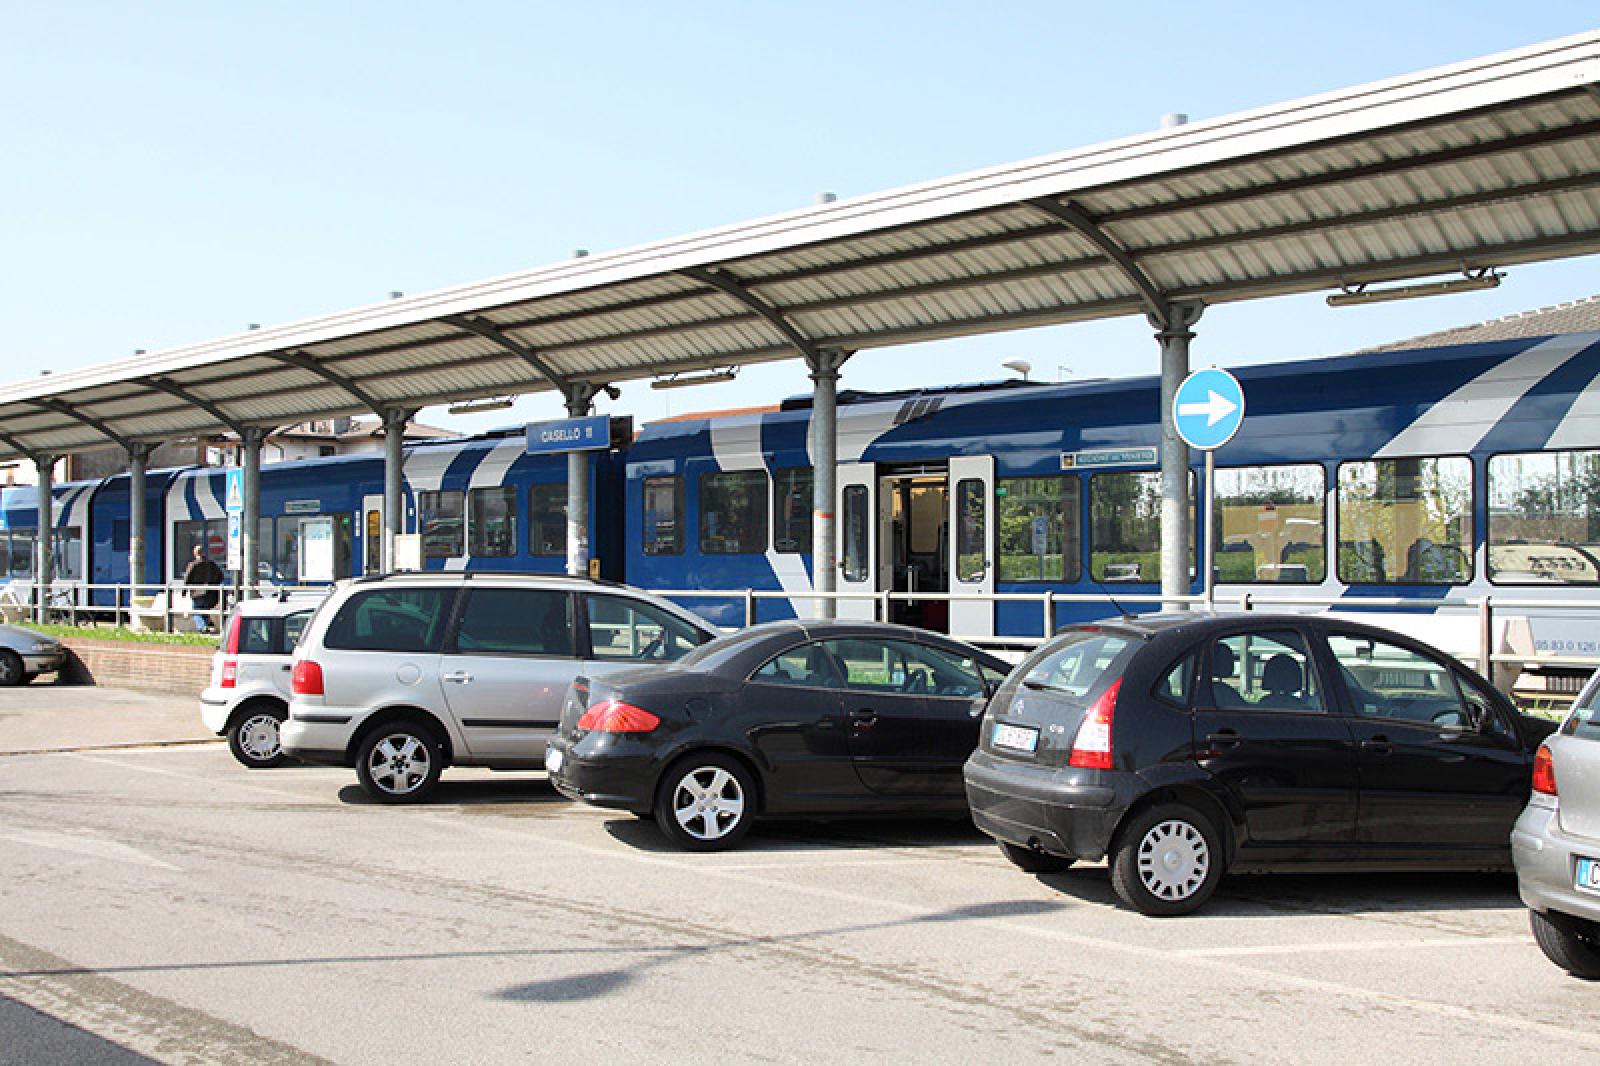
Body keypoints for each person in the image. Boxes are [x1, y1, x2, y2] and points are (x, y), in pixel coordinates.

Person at [182, 546, 224, 633]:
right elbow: (220, 575)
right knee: (204, 609)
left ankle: (203, 627)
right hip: (210, 592)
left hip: (197, 591)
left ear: (195, 553)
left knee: (196, 611)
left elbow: (187, 579)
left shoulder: (193, 565)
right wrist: (214, 585)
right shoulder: (211, 564)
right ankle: (208, 624)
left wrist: (184, 591)